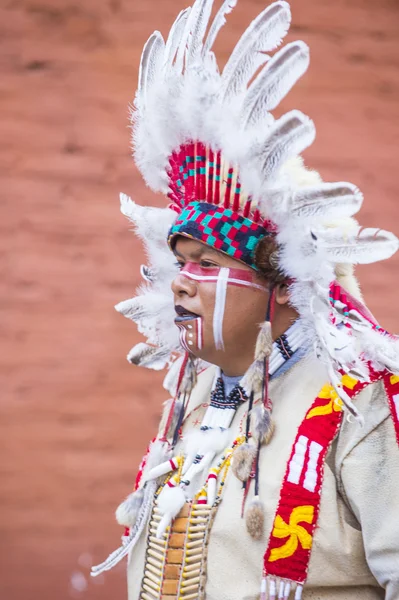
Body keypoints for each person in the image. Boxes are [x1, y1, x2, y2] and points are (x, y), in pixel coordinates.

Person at [91, 1, 399, 598]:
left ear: (282, 282)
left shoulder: (362, 404)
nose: (181, 281)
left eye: (207, 264)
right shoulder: (199, 394)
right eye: (180, 263)